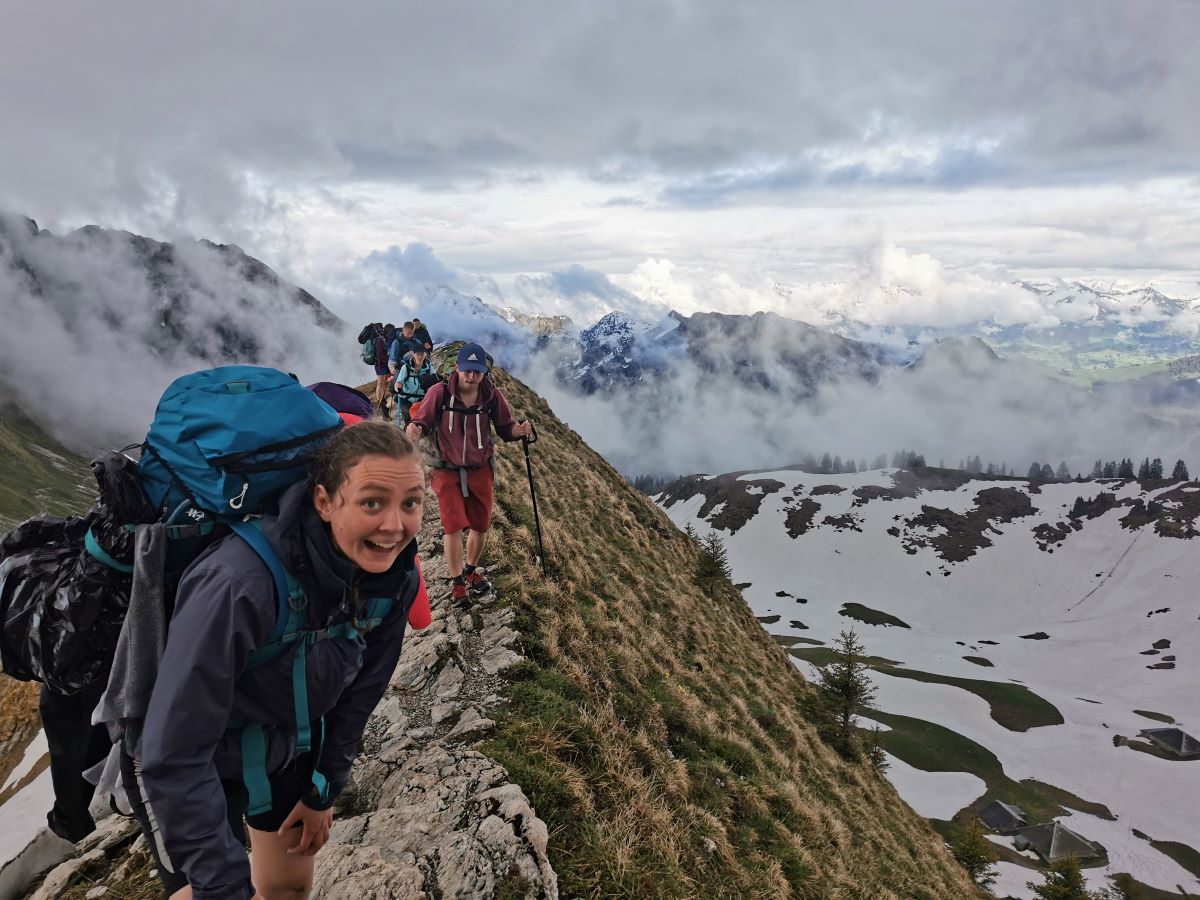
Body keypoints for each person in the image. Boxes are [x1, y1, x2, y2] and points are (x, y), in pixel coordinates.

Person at [125, 422, 424, 899]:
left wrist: (323, 787)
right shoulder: (239, 584)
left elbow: (363, 691)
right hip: (189, 756)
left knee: (288, 889)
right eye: (373, 502)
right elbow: (175, 750)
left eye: (411, 503)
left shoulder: (394, 581)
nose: (395, 526)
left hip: (286, 743)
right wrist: (224, 888)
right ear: (324, 502)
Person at [405, 343, 531, 604]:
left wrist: (519, 431)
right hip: (446, 470)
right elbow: (424, 421)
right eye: (467, 371)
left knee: (480, 525)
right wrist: (415, 429)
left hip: (480, 469)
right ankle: (457, 583)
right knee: (452, 528)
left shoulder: (491, 396)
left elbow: (506, 428)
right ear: (457, 368)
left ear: (484, 372)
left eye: (477, 371)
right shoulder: (439, 392)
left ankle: (471, 570)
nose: (471, 376)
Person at [392, 345, 436, 426]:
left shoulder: (429, 368)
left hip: (422, 399)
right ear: (413, 354)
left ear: (425, 355)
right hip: (406, 398)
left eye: (422, 354)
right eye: (418, 354)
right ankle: (408, 434)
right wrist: (398, 386)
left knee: (423, 420)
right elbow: (398, 383)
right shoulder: (406, 367)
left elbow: (435, 380)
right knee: (409, 420)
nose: (420, 357)